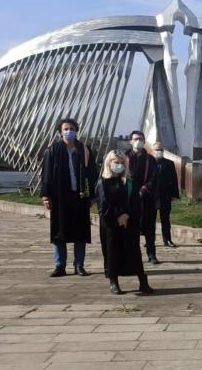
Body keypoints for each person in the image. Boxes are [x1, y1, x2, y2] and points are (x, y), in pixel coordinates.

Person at [41, 118, 97, 277]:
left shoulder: (84, 150)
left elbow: (92, 173)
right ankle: (60, 265)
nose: (69, 131)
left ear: (76, 131)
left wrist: (93, 195)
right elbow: (46, 174)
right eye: (66, 128)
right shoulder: (52, 150)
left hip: (80, 196)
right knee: (59, 232)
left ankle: (79, 265)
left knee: (80, 232)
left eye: (72, 128)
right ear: (60, 132)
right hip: (60, 196)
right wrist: (46, 195)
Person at [96, 150, 153, 295]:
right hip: (111, 224)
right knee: (112, 251)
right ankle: (113, 281)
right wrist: (117, 217)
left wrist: (127, 215)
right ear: (109, 163)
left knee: (134, 251)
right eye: (116, 162)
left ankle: (142, 281)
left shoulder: (129, 182)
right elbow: (103, 204)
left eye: (122, 163)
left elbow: (135, 202)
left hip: (129, 223)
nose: (119, 165)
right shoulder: (103, 182)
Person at [125, 131, 159, 265]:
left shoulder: (150, 160)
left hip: (146, 198)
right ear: (130, 141)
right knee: (131, 229)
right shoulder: (124, 157)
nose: (138, 141)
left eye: (140, 139)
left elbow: (154, 177)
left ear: (144, 141)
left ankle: (152, 254)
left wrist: (144, 190)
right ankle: (131, 256)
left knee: (149, 229)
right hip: (129, 198)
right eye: (135, 139)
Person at [152, 142, 180, 248]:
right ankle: (150, 240)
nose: (159, 152)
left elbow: (174, 179)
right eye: (157, 150)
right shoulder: (149, 162)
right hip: (152, 196)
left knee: (165, 219)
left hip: (165, 195)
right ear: (152, 150)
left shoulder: (169, 163)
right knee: (150, 219)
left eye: (161, 150)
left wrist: (173, 194)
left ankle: (167, 239)